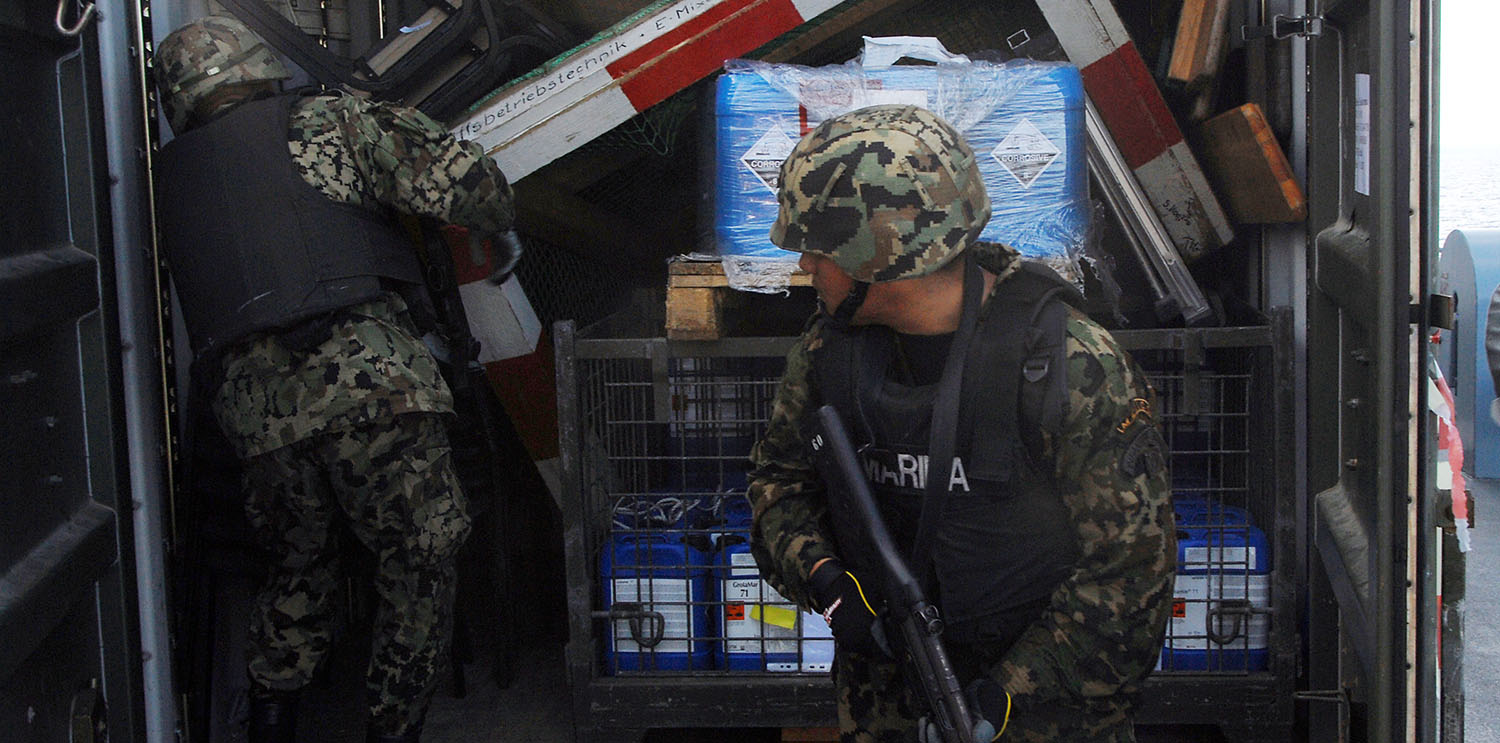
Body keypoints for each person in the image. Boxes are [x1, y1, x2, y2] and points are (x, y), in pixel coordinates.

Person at [746, 105, 1176, 742]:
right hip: (885, 707)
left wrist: (1005, 698)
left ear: (878, 252)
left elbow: (1131, 573)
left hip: (1047, 717)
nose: (805, 266)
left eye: (816, 247)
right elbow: (777, 487)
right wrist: (828, 582)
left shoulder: (1069, 363)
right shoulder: (827, 353)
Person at [152, 15, 517, 743]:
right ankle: (392, 726)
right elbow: (477, 190)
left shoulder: (174, 176)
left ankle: (270, 720)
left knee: (299, 571)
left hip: (257, 424)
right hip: (370, 386)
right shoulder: (327, 119)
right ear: (260, 67)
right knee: (419, 557)